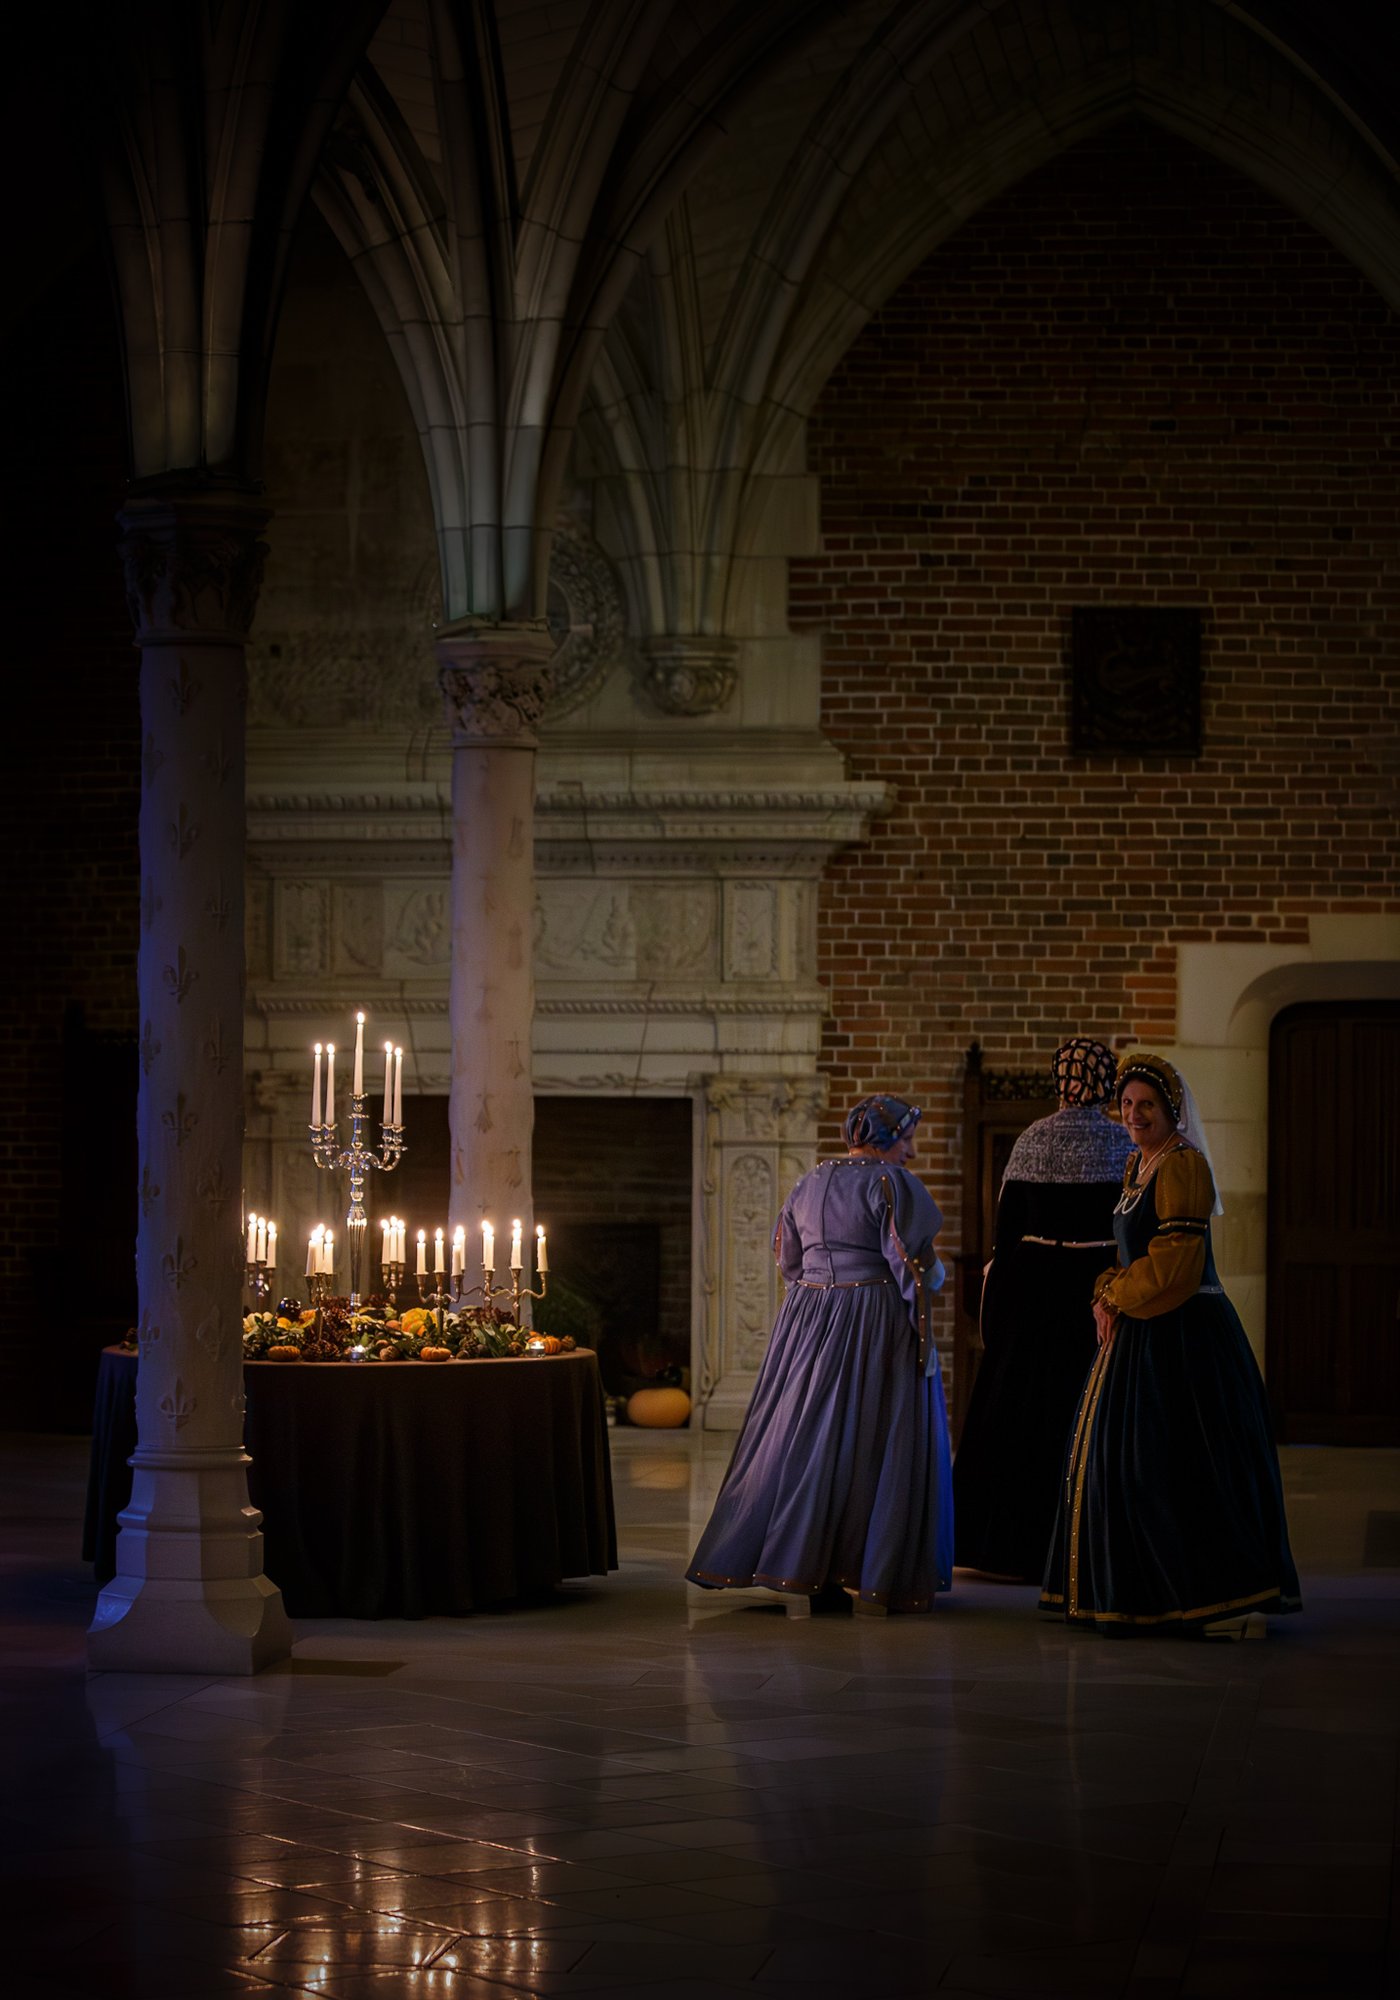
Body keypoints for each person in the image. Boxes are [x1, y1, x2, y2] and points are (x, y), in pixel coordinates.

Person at [1040, 1052, 1301, 1637]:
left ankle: (1220, 1601)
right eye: (1127, 1104)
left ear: (1170, 1110)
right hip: (1140, 1325)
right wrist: (1106, 1291)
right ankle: (1142, 1593)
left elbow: (1175, 1266)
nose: (1134, 1115)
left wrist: (1114, 1297)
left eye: (1147, 1106)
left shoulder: (1183, 1165)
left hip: (1184, 1334)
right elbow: (1129, 1253)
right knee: (1127, 1467)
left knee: (1177, 1466)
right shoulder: (1139, 1162)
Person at [686, 1093, 952, 1614]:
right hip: (871, 1320)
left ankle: (805, 1566)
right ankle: (869, 1569)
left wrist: (818, 1295)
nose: (912, 1152)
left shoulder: (807, 1183)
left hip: (807, 1319)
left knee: (806, 1435)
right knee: (868, 1440)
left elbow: (787, 1258)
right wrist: (918, 1322)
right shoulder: (890, 1183)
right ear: (884, 1139)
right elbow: (912, 1266)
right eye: (907, 1139)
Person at [953, 1037, 1134, 1580]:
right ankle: (1086, 1549)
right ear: (1105, 1084)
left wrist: (999, 1310)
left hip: (1032, 1287)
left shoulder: (1032, 1137)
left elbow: (1006, 1231)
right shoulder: (1121, 1142)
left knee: (1020, 1407)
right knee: (1085, 1407)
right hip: (1095, 1286)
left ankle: (1003, 1549)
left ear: (1061, 1080)